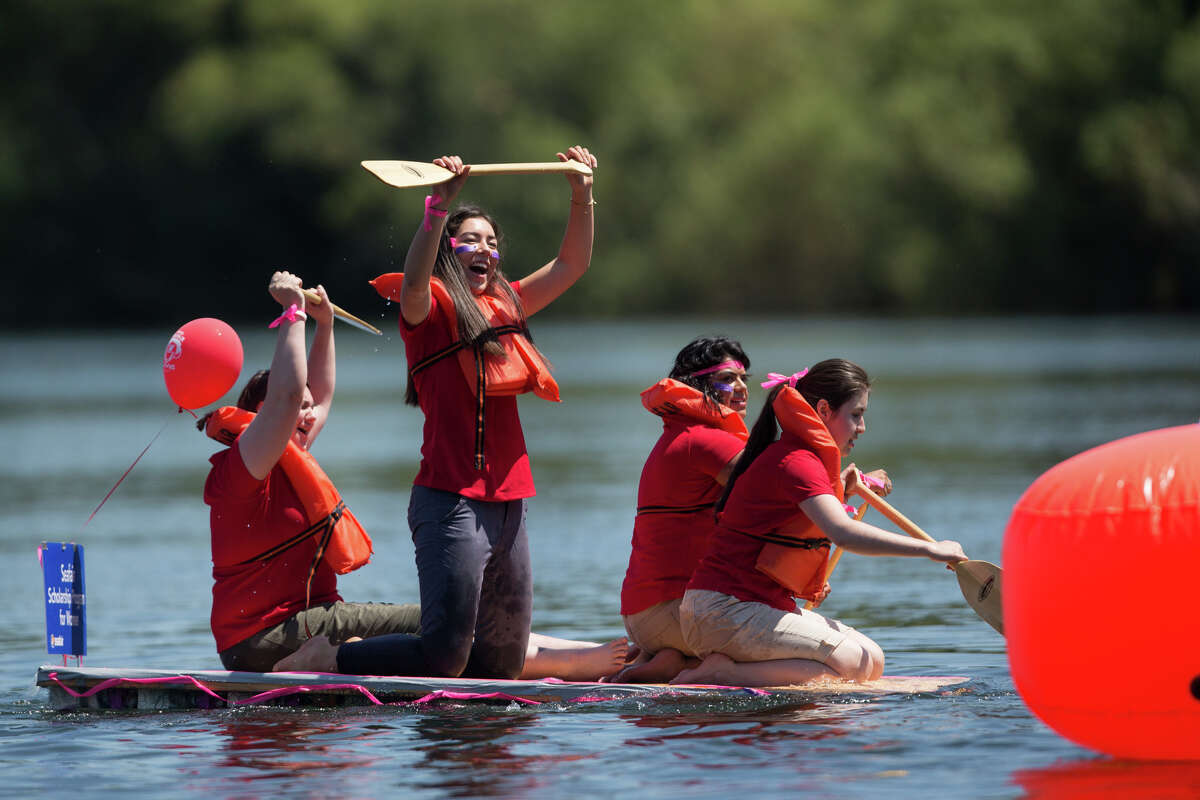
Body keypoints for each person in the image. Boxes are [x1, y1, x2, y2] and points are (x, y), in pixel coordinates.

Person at [202, 271, 626, 680]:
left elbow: (314, 394)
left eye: (311, 407)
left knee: (452, 627)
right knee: (437, 625)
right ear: (259, 419)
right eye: (298, 408)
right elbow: (287, 396)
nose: (309, 413)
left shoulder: (294, 449)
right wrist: (292, 313)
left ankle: (579, 651)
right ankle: (578, 661)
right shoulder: (245, 468)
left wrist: (326, 325)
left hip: (304, 623)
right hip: (262, 638)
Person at [281, 146, 599, 679]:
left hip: (511, 501)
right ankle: (332, 656)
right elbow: (410, 283)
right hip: (449, 501)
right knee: (445, 655)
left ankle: (483, 752)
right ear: (450, 253)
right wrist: (435, 210)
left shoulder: (509, 304)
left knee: (500, 662)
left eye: (492, 243)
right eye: (471, 239)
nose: (485, 249)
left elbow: (572, 264)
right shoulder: (426, 310)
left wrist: (582, 194)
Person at [672, 359, 965, 687]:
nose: (863, 426)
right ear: (824, 410)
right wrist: (931, 549)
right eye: (856, 414)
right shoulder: (796, 461)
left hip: (744, 607)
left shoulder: (804, 459)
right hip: (722, 611)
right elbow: (844, 533)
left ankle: (732, 666)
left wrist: (846, 487)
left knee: (873, 660)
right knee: (854, 664)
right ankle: (723, 673)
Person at [610, 336, 751, 683]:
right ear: (699, 385)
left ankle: (670, 659)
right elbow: (779, 495)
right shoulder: (705, 440)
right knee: (810, 653)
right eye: (728, 378)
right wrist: (840, 483)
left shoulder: (682, 435)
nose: (742, 388)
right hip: (674, 612)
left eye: (744, 378)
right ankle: (682, 662)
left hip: (650, 615)